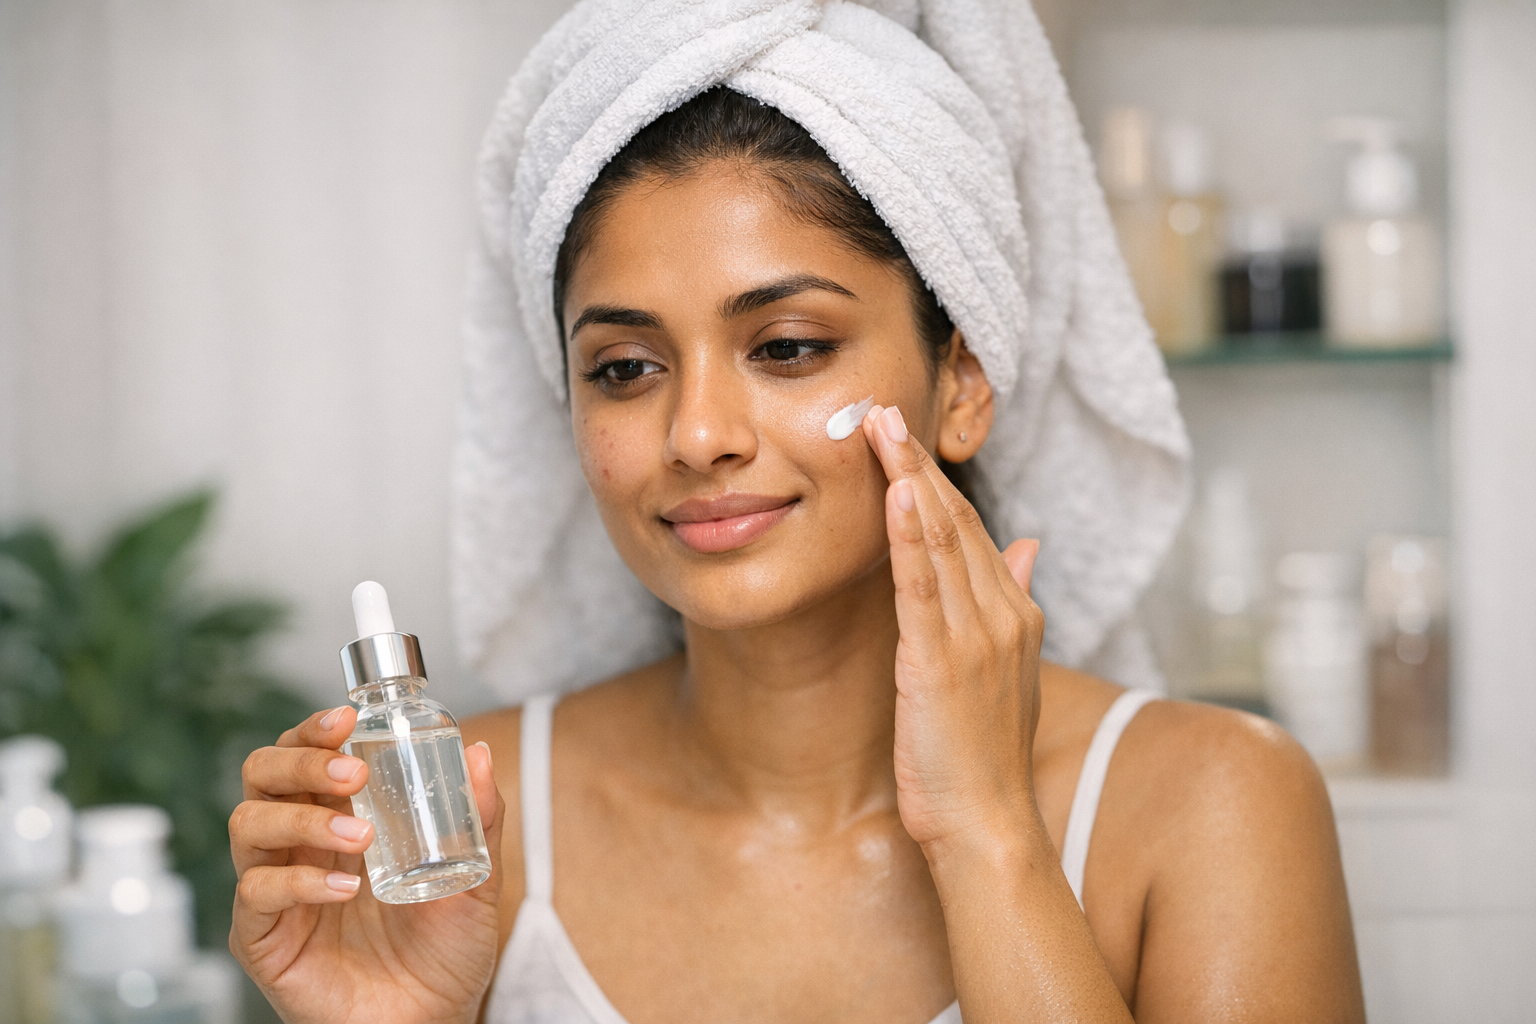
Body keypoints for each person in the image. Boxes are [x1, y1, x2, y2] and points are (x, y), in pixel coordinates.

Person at [228, 3, 1365, 1021]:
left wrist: (989, 834)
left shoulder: (1210, 805)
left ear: (963, 382)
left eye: (786, 347)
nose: (696, 434)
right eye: (625, 368)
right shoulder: (463, 829)